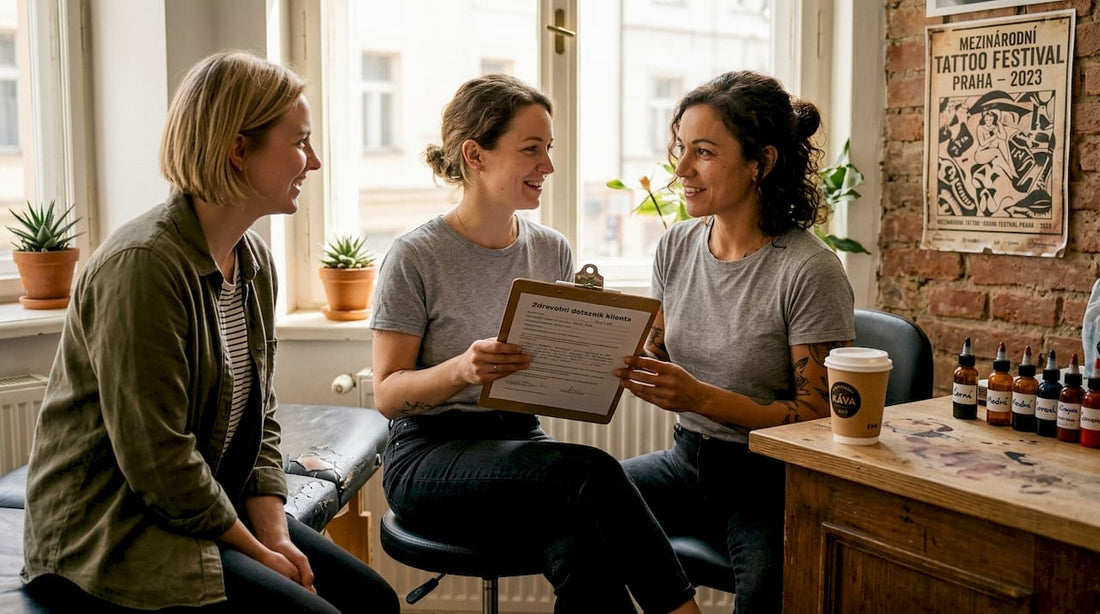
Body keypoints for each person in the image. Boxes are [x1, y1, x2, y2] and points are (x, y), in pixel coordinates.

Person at [20, 50, 398, 613]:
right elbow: (159, 462)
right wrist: (260, 553)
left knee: (373, 601)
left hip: (196, 510)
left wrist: (274, 535)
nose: (313, 161)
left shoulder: (254, 263)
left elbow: (262, 419)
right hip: (110, 532)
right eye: (299, 142)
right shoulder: (143, 266)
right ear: (238, 149)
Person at [370, 73, 701, 614]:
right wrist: (463, 369)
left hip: (518, 441)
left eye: (548, 149)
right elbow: (387, 394)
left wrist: (601, 355)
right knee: (592, 472)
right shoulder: (415, 257)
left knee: (582, 538)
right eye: (531, 150)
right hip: (430, 454)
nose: (548, 165)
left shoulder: (551, 251)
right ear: (475, 155)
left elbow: (553, 373)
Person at [616, 70, 856, 613]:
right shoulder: (675, 245)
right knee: (579, 508)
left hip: (769, 482)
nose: (681, 170)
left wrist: (699, 397)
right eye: (681, 149)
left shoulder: (808, 270)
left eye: (703, 152)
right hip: (684, 463)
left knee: (767, 596)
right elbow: (659, 348)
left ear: (761, 163)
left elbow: (821, 418)